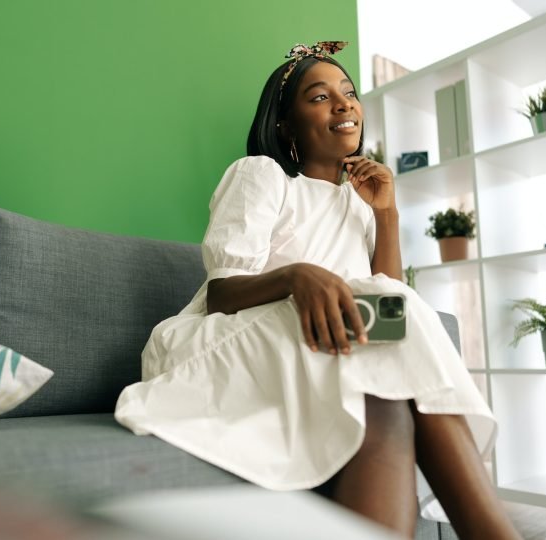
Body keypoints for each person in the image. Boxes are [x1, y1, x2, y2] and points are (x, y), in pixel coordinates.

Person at [115, 41, 520, 539]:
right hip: (227, 343)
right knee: (387, 343)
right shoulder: (263, 176)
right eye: (320, 96)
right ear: (285, 123)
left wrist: (386, 213)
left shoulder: (359, 205)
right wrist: (295, 275)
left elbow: (389, 299)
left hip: (325, 346)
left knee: (388, 385)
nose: (344, 103)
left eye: (348, 93)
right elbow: (221, 294)